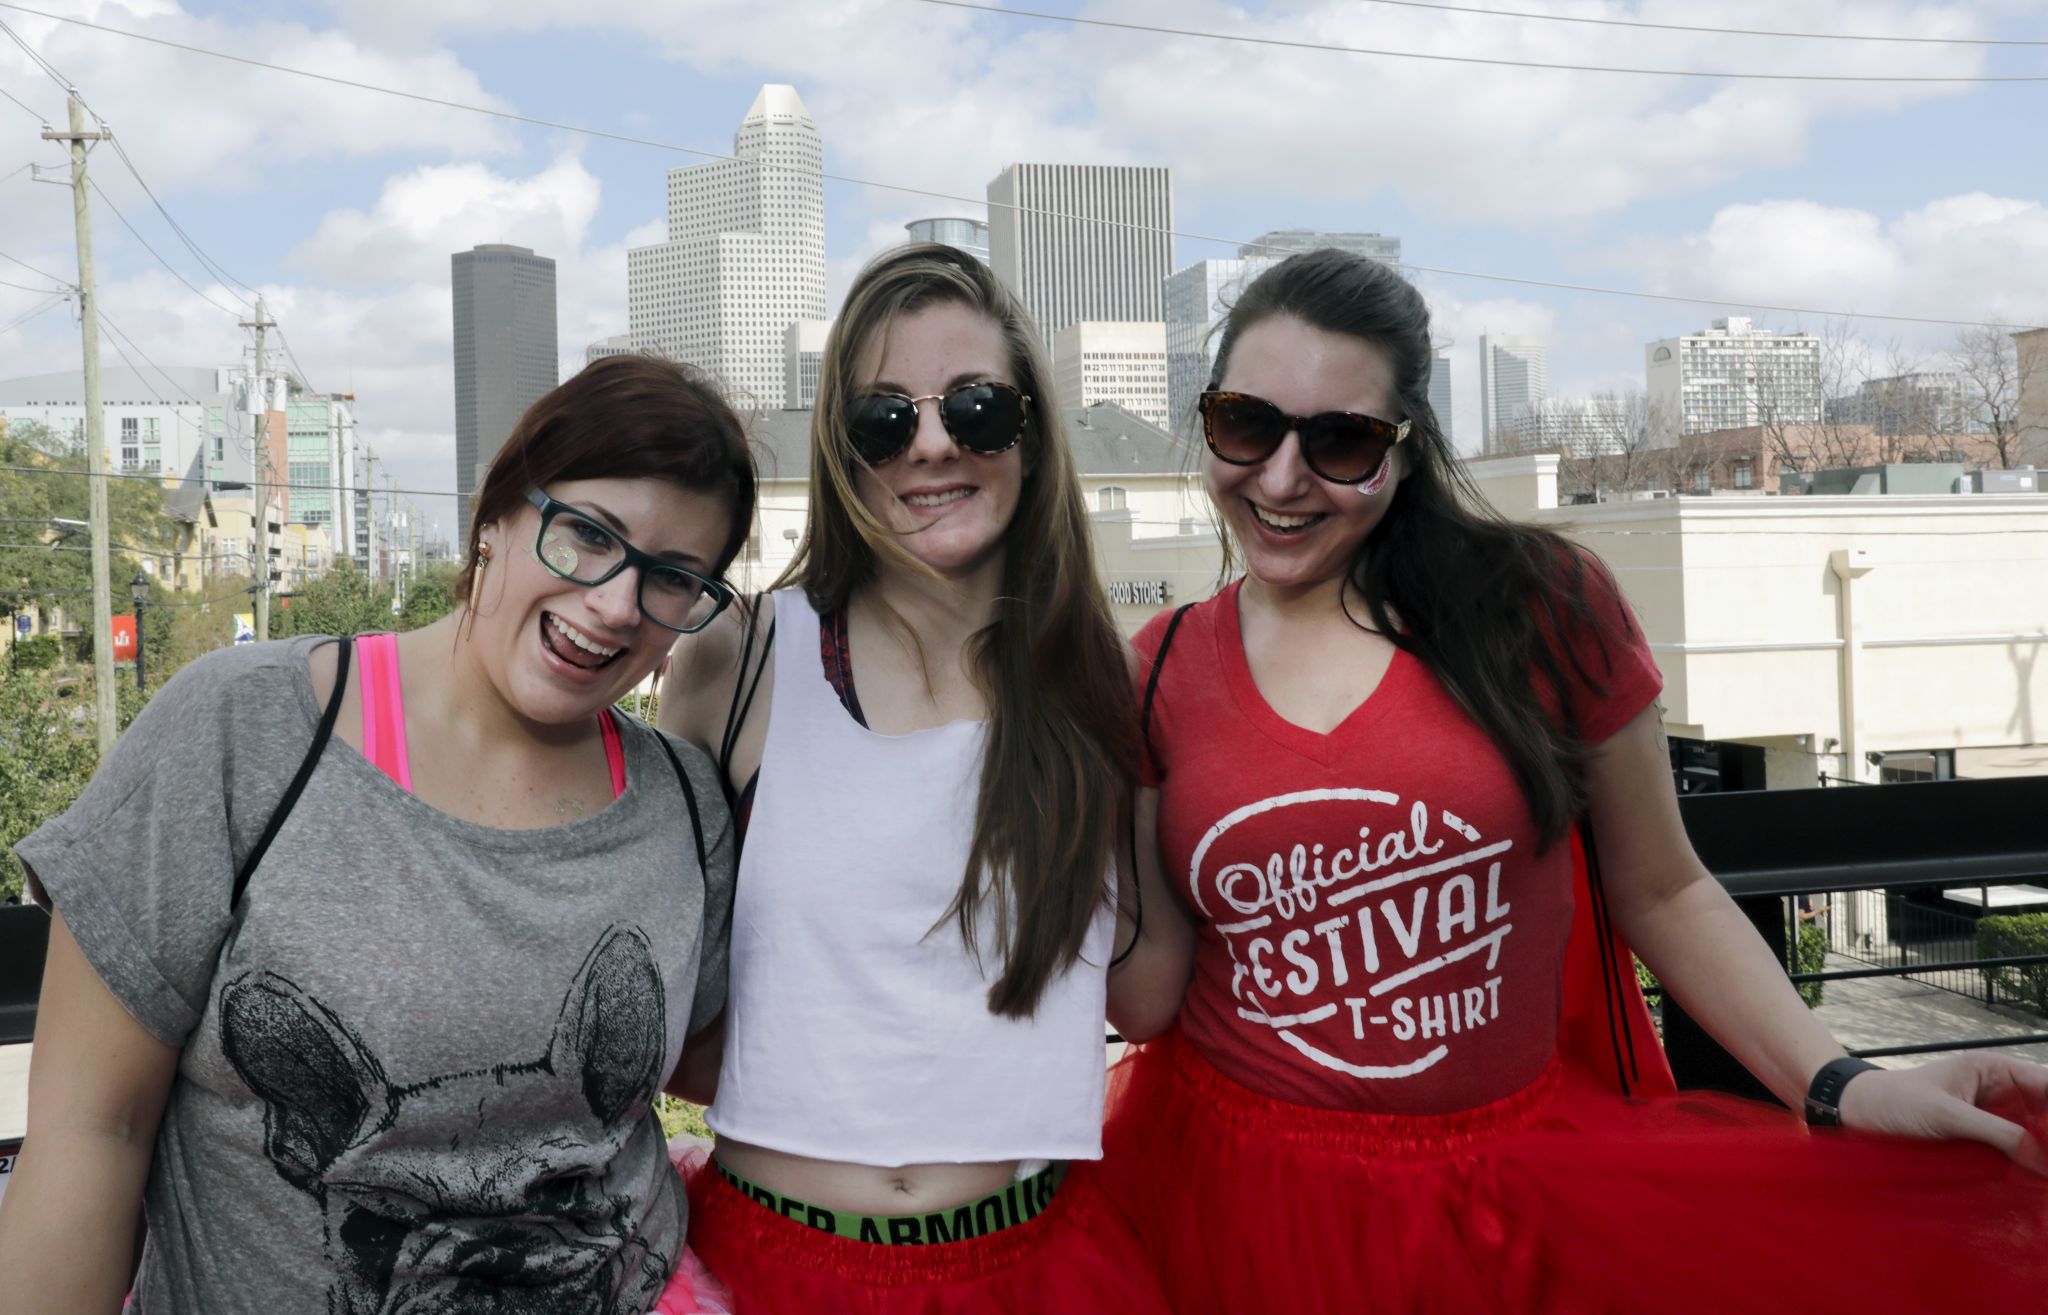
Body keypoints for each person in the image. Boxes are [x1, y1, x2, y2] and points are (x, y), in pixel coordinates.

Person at [1099, 248, 2048, 1315]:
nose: (1278, 479)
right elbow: (1143, 983)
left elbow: (1666, 889)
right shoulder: (1154, 669)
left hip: (1514, 1198)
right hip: (1235, 1204)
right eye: (1244, 424)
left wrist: (1840, 1083)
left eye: (1339, 440)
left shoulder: (1541, 608)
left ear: (1405, 452)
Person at [0, 354, 755, 1315]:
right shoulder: (248, 734)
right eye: (588, 536)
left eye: (672, 579)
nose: (615, 603)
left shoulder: (682, 802)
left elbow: (738, 1061)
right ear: (497, 515)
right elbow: (87, 1130)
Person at [658, 242, 1167, 1312]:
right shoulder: (735, 662)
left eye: (975, 409)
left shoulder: (1099, 684)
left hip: (1036, 1267)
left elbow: (1149, 990)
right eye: (883, 420)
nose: (932, 445)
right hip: (768, 1266)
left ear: (1029, 430)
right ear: (843, 452)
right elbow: (667, 998)